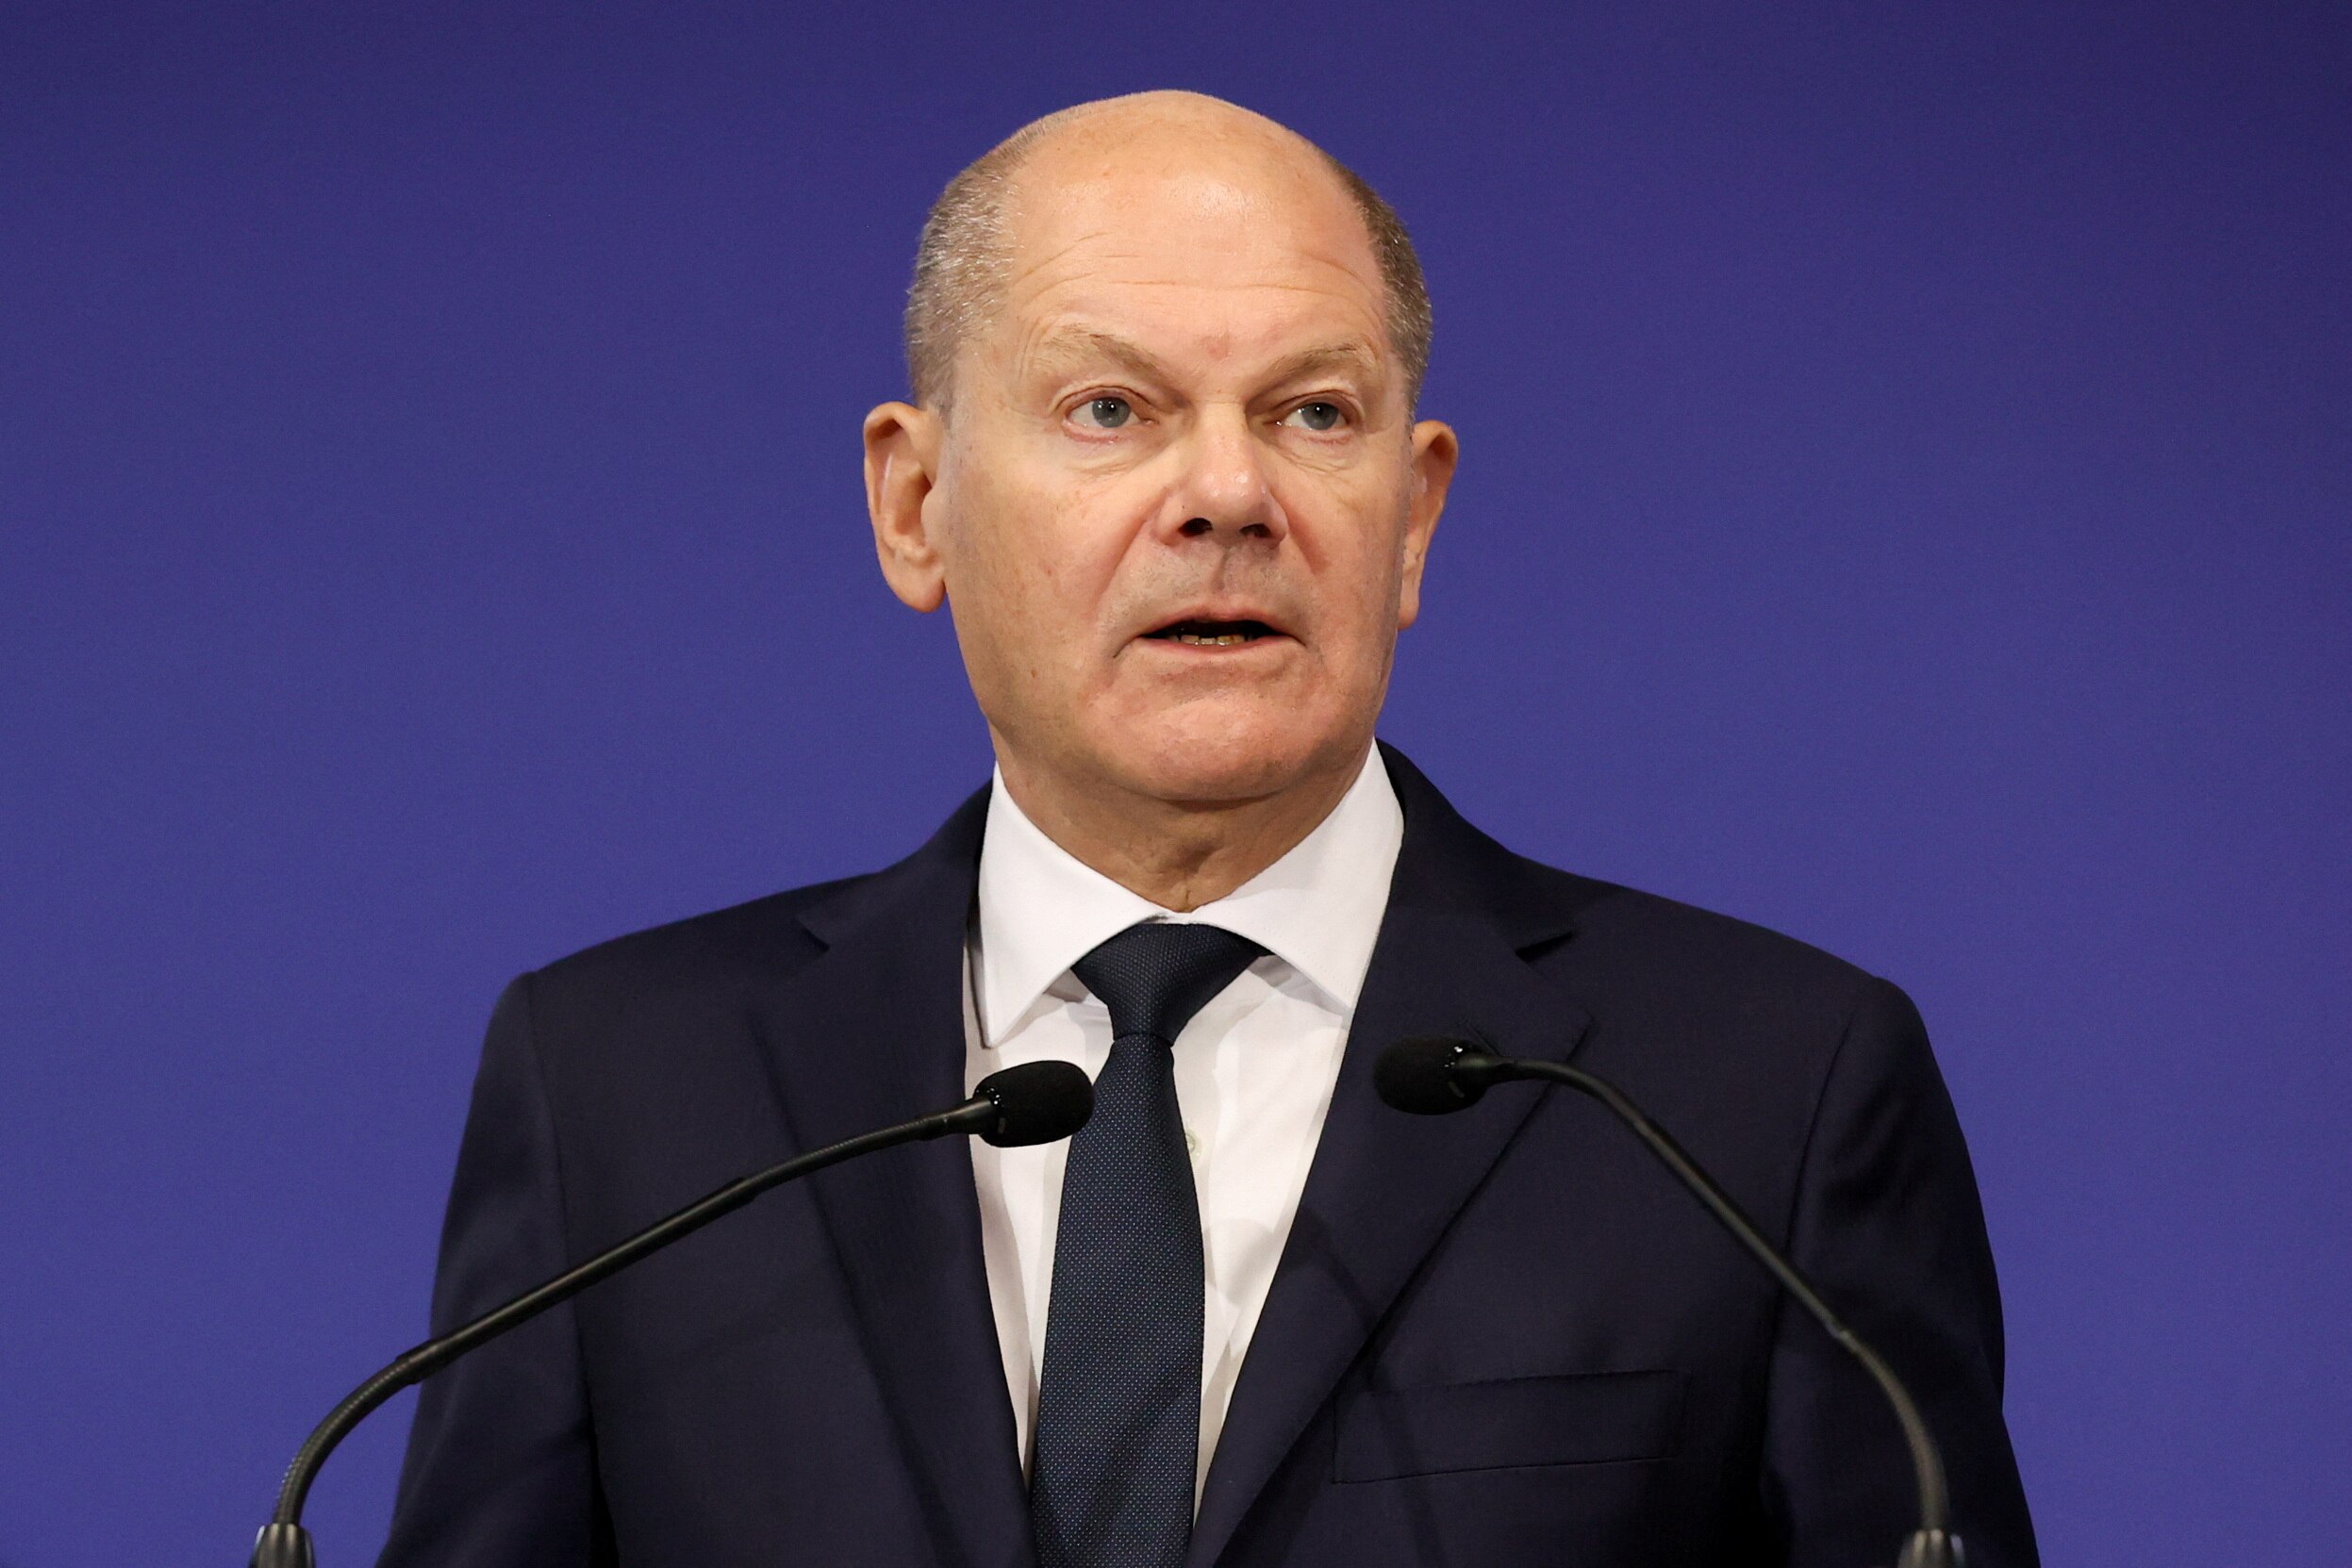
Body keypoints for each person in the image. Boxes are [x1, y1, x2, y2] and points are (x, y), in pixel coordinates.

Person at [379, 91, 2037, 1568]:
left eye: (1314, 413)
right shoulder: (626, 1094)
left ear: (1413, 514)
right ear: (914, 504)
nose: (1228, 495)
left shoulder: (1756, 1096)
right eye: (1110, 409)